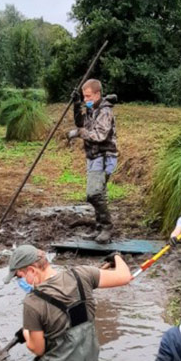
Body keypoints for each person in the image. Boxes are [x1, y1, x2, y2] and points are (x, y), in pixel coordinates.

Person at [8, 244, 133, 361]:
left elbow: (38, 349)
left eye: (20, 276)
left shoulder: (32, 302)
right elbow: (125, 277)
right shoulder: (82, 274)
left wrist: (26, 332)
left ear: (31, 270)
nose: (20, 282)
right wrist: (117, 256)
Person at [66, 79, 118, 243]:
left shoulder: (105, 112)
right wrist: (76, 105)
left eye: (88, 96)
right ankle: (99, 228)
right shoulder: (91, 109)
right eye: (84, 96)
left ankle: (107, 227)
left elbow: (99, 136)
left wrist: (78, 133)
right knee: (97, 194)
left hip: (104, 156)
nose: (86, 99)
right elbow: (81, 122)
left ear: (97, 94)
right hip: (93, 156)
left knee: (94, 194)